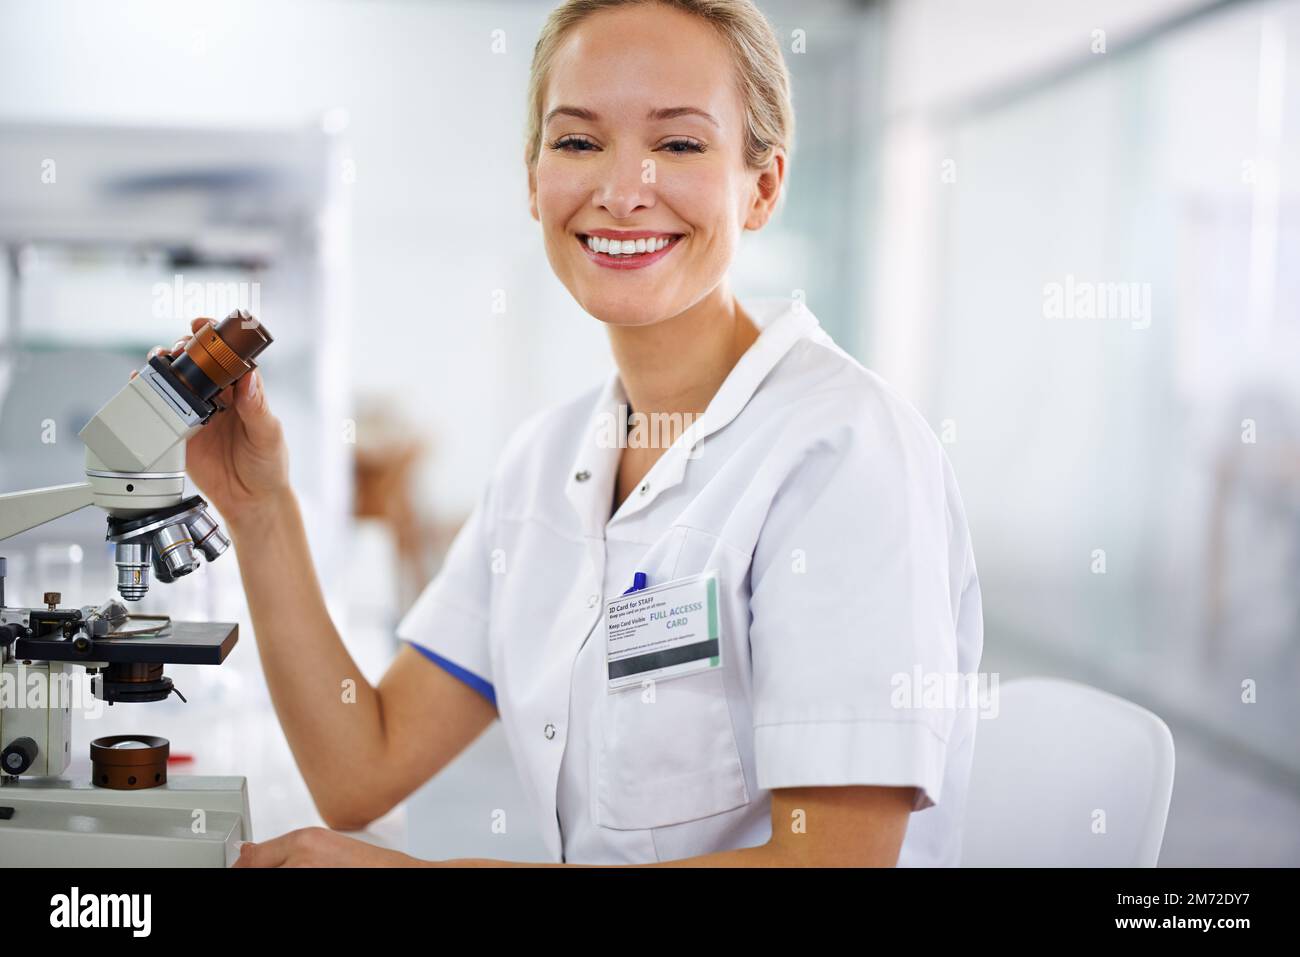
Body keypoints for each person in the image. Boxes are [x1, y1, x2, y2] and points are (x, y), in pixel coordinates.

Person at [145, 0, 983, 867]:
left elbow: (834, 862)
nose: (622, 191)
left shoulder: (844, 452)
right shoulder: (548, 465)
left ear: (762, 185)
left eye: (681, 144)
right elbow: (363, 764)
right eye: (578, 142)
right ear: (534, 177)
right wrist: (260, 508)